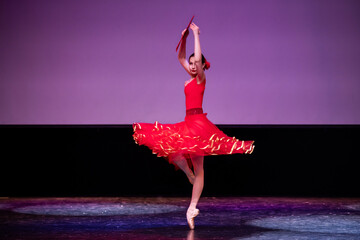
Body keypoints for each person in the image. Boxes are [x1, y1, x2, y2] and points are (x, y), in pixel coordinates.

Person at [132, 22, 255, 229]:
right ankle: (188, 175)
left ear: (200, 66)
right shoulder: (188, 79)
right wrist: (185, 38)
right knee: (173, 149)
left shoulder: (200, 79)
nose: (191, 65)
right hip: (188, 123)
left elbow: (196, 58)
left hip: (199, 124)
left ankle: (192, 208)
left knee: (200, 168)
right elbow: (181, 57)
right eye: (190, 64)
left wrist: (196, 34)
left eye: (194, 63)